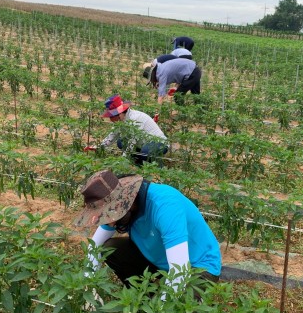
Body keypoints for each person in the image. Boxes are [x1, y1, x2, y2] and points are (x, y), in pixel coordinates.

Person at [74, 169, 221, 291]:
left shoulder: (165, 206)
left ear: (125, 203)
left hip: (197, 266)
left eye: (107, 214)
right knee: (110, 248)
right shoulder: (120, 211)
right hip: (158, 260)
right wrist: (89, 288)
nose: (108, 221)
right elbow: (95, 247)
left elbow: (180, 270)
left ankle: (163, 305)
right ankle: (145, 296)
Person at [84, 94, 168, 166]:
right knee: (121, 142)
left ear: (120, 113)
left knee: (145, 152)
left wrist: (122, 160)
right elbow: (113, 135)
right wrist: (99, 147)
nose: (111, 119)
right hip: (142, 142)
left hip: (159, 143)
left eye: (112, 116)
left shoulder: (136, 118)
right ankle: (139, 159)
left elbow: (133, 140)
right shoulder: (122, 119)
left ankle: (154, 163)